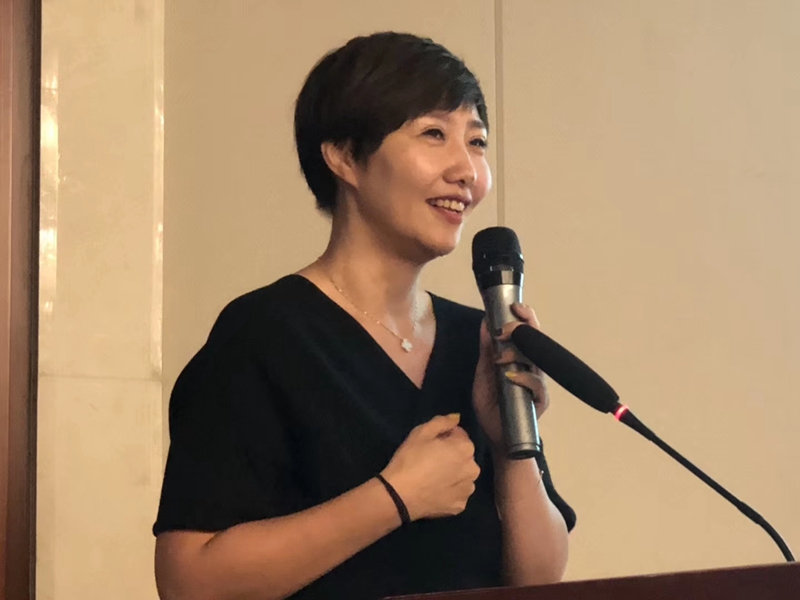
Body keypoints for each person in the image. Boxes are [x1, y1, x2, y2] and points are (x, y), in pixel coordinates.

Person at [153, 31, 575, 600]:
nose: (467, 171)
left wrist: (511, 450)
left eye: (476, 142)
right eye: (434, 134)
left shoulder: (475, 340)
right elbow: (190, 581)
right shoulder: (263, 335)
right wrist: (396, 496)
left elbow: (539, 581)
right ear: (345, 156)